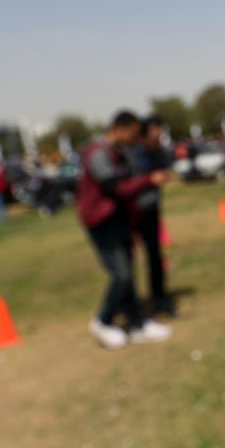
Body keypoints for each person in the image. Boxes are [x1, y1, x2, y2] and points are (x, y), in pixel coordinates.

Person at [76, 110, 171, 349]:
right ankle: (103, 320)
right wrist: (149, 180)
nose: (137, 139)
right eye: (135, 133)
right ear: (121, 128)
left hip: (119, 219)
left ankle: (137, 323)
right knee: (121, 274)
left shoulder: (117, 152)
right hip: (102, 221)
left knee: (129, 272)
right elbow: (115, 188)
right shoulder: (98, 152)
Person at [129, 115, 174, 315]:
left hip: (151, 209)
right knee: (127, 261)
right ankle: (130, 304)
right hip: (130, 212)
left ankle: (160, 297)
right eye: (155, 133)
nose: (159, 137)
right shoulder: (133, 152)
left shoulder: (159, 152)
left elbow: (164, 172)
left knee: (155, 255)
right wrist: (149, 179)